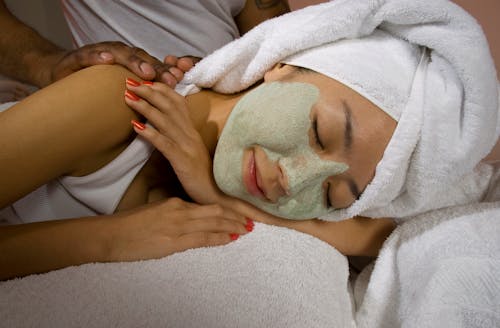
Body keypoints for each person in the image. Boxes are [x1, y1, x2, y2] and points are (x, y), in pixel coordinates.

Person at [0, 0, 290, 95]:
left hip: (233, 114)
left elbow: (274, 42)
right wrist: (45, 64)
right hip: (121, 108)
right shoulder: (101, 98)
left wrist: (231, 76)